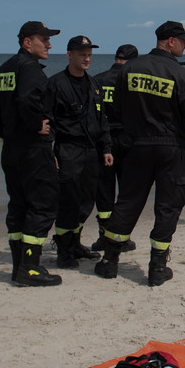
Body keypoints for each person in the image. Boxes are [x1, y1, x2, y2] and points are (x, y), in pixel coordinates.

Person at [95, 21, 185, 286]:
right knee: (169, 204)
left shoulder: (130, 68)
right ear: (170, 41)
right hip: (169, 147)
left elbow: (118, 108)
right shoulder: (180, 74)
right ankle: (157, 267)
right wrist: (176, 139)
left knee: (127, 201)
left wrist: (135, 133)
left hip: (136, 146)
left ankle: (110, 260)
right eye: (183, 41)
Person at [0, 21, 62, 287]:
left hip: (12, 148)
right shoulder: (29, 69)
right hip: (32, 149)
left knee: (18, 205)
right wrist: (35, 125)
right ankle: (30, 268)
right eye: (44, 39)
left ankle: (19, 268)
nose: (49, 44)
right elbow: (27, 100)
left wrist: (6, 132)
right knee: (43, 204)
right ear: (27, 42)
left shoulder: (5, 69)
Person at [48, 35, 112, 269]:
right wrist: (50, 152)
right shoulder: (56, 84)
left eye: (89, 55)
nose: (87, 59)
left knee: (86, 201)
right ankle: (64, 250)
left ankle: (75, 243)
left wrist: (106, 148)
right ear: (69, 55)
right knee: (68, 201)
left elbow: (102, 119)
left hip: (91, 150)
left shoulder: (93, 84)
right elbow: (49, 121)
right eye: (82, 54)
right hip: (68, 150)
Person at [92, 44, 140, 252]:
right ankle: (119, 237)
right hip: (127, 139)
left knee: (104, 189)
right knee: (126, 190)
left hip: (102, 140)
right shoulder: (133, 81)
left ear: (115, 58)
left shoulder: (98, 80)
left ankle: (103, 235)